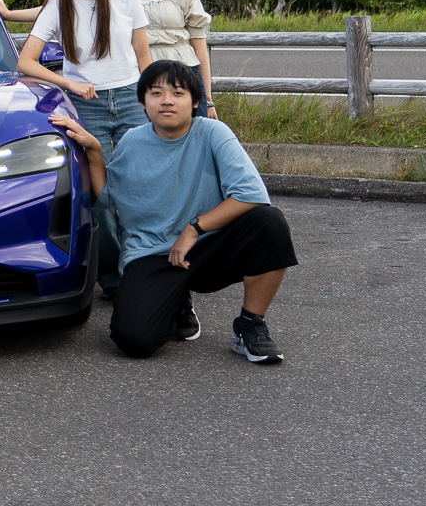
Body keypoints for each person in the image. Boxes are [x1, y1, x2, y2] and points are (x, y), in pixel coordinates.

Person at [51, 60, 296, 363]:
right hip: (152, 253)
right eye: (156, 93)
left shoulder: (213, 133)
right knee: (134, 341)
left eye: (178, 93)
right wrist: (94, 150)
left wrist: (193, 229)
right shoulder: (132, 141)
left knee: (269, 223)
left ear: (195, 102)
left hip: (207, 246)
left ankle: (250, 324)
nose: (166, 100)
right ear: (142, 102)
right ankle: (176, 301)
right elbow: (107, 198)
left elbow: (251, 196)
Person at [15, 0, 153, 297]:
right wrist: (70, 84)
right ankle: (112, 278)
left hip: (130, 100)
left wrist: (149, 98)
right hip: (85, 107)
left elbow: (143, 55)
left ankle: (146, 269)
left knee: (139, 190)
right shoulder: (58, 5)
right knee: (102, 196)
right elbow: (26, 62)